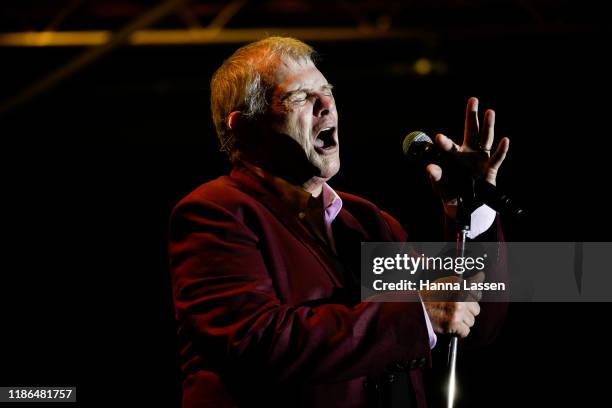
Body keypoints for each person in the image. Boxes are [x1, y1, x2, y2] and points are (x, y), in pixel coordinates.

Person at [168, 37, 509, 408]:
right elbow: (256, 340)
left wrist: (471, 210)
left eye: (326, 90)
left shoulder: (368, 221)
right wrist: (418, 314)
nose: (325, 105)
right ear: (245, 127)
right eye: (299, 96)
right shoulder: (216, 212)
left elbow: (474, 323)